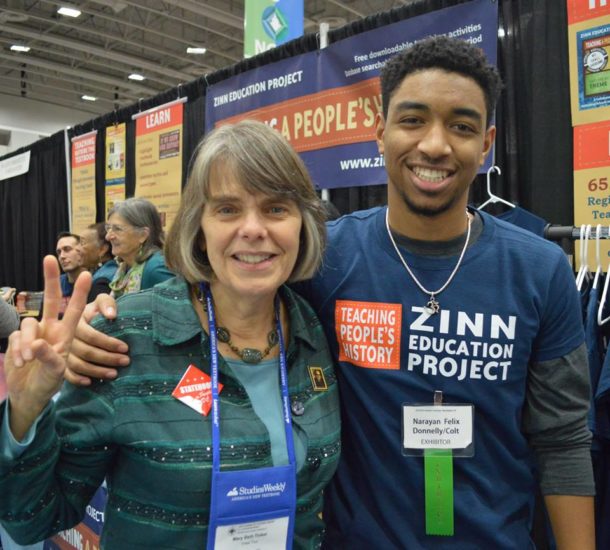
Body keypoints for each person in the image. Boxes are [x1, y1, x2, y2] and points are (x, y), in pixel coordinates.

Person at [64, 37, 595, 548]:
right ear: (380, 131)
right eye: (412, 120)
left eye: (461, 126)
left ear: (486, 142)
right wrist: (109, 322)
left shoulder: (540, 270)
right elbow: (219, 285)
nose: (434, 143)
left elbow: (563, 441)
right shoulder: (325, 258)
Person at [0, 120, 340, 549]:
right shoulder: (125, 338)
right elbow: (34, 518)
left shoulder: (314, 329)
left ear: (302, 225)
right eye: (228, 209)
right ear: (198, 227)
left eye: (276, 209)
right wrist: (25, 414)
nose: (254, 229)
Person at [104, 197, 174, 298]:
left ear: (143, 235)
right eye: (108, 228)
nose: (108, 237)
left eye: (117, 229)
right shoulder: (125, 267)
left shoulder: (157, 269)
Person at [79, 222, 118, 301]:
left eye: (82, 243)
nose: (77, 248)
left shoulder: (102, 282)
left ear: (102, 249)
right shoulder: (114, 271)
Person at [55, 232, 85, 298]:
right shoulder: (56, 284)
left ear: (81, 252)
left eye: (67, 249)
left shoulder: (96, 281)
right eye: (59, 252)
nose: (61, 256)